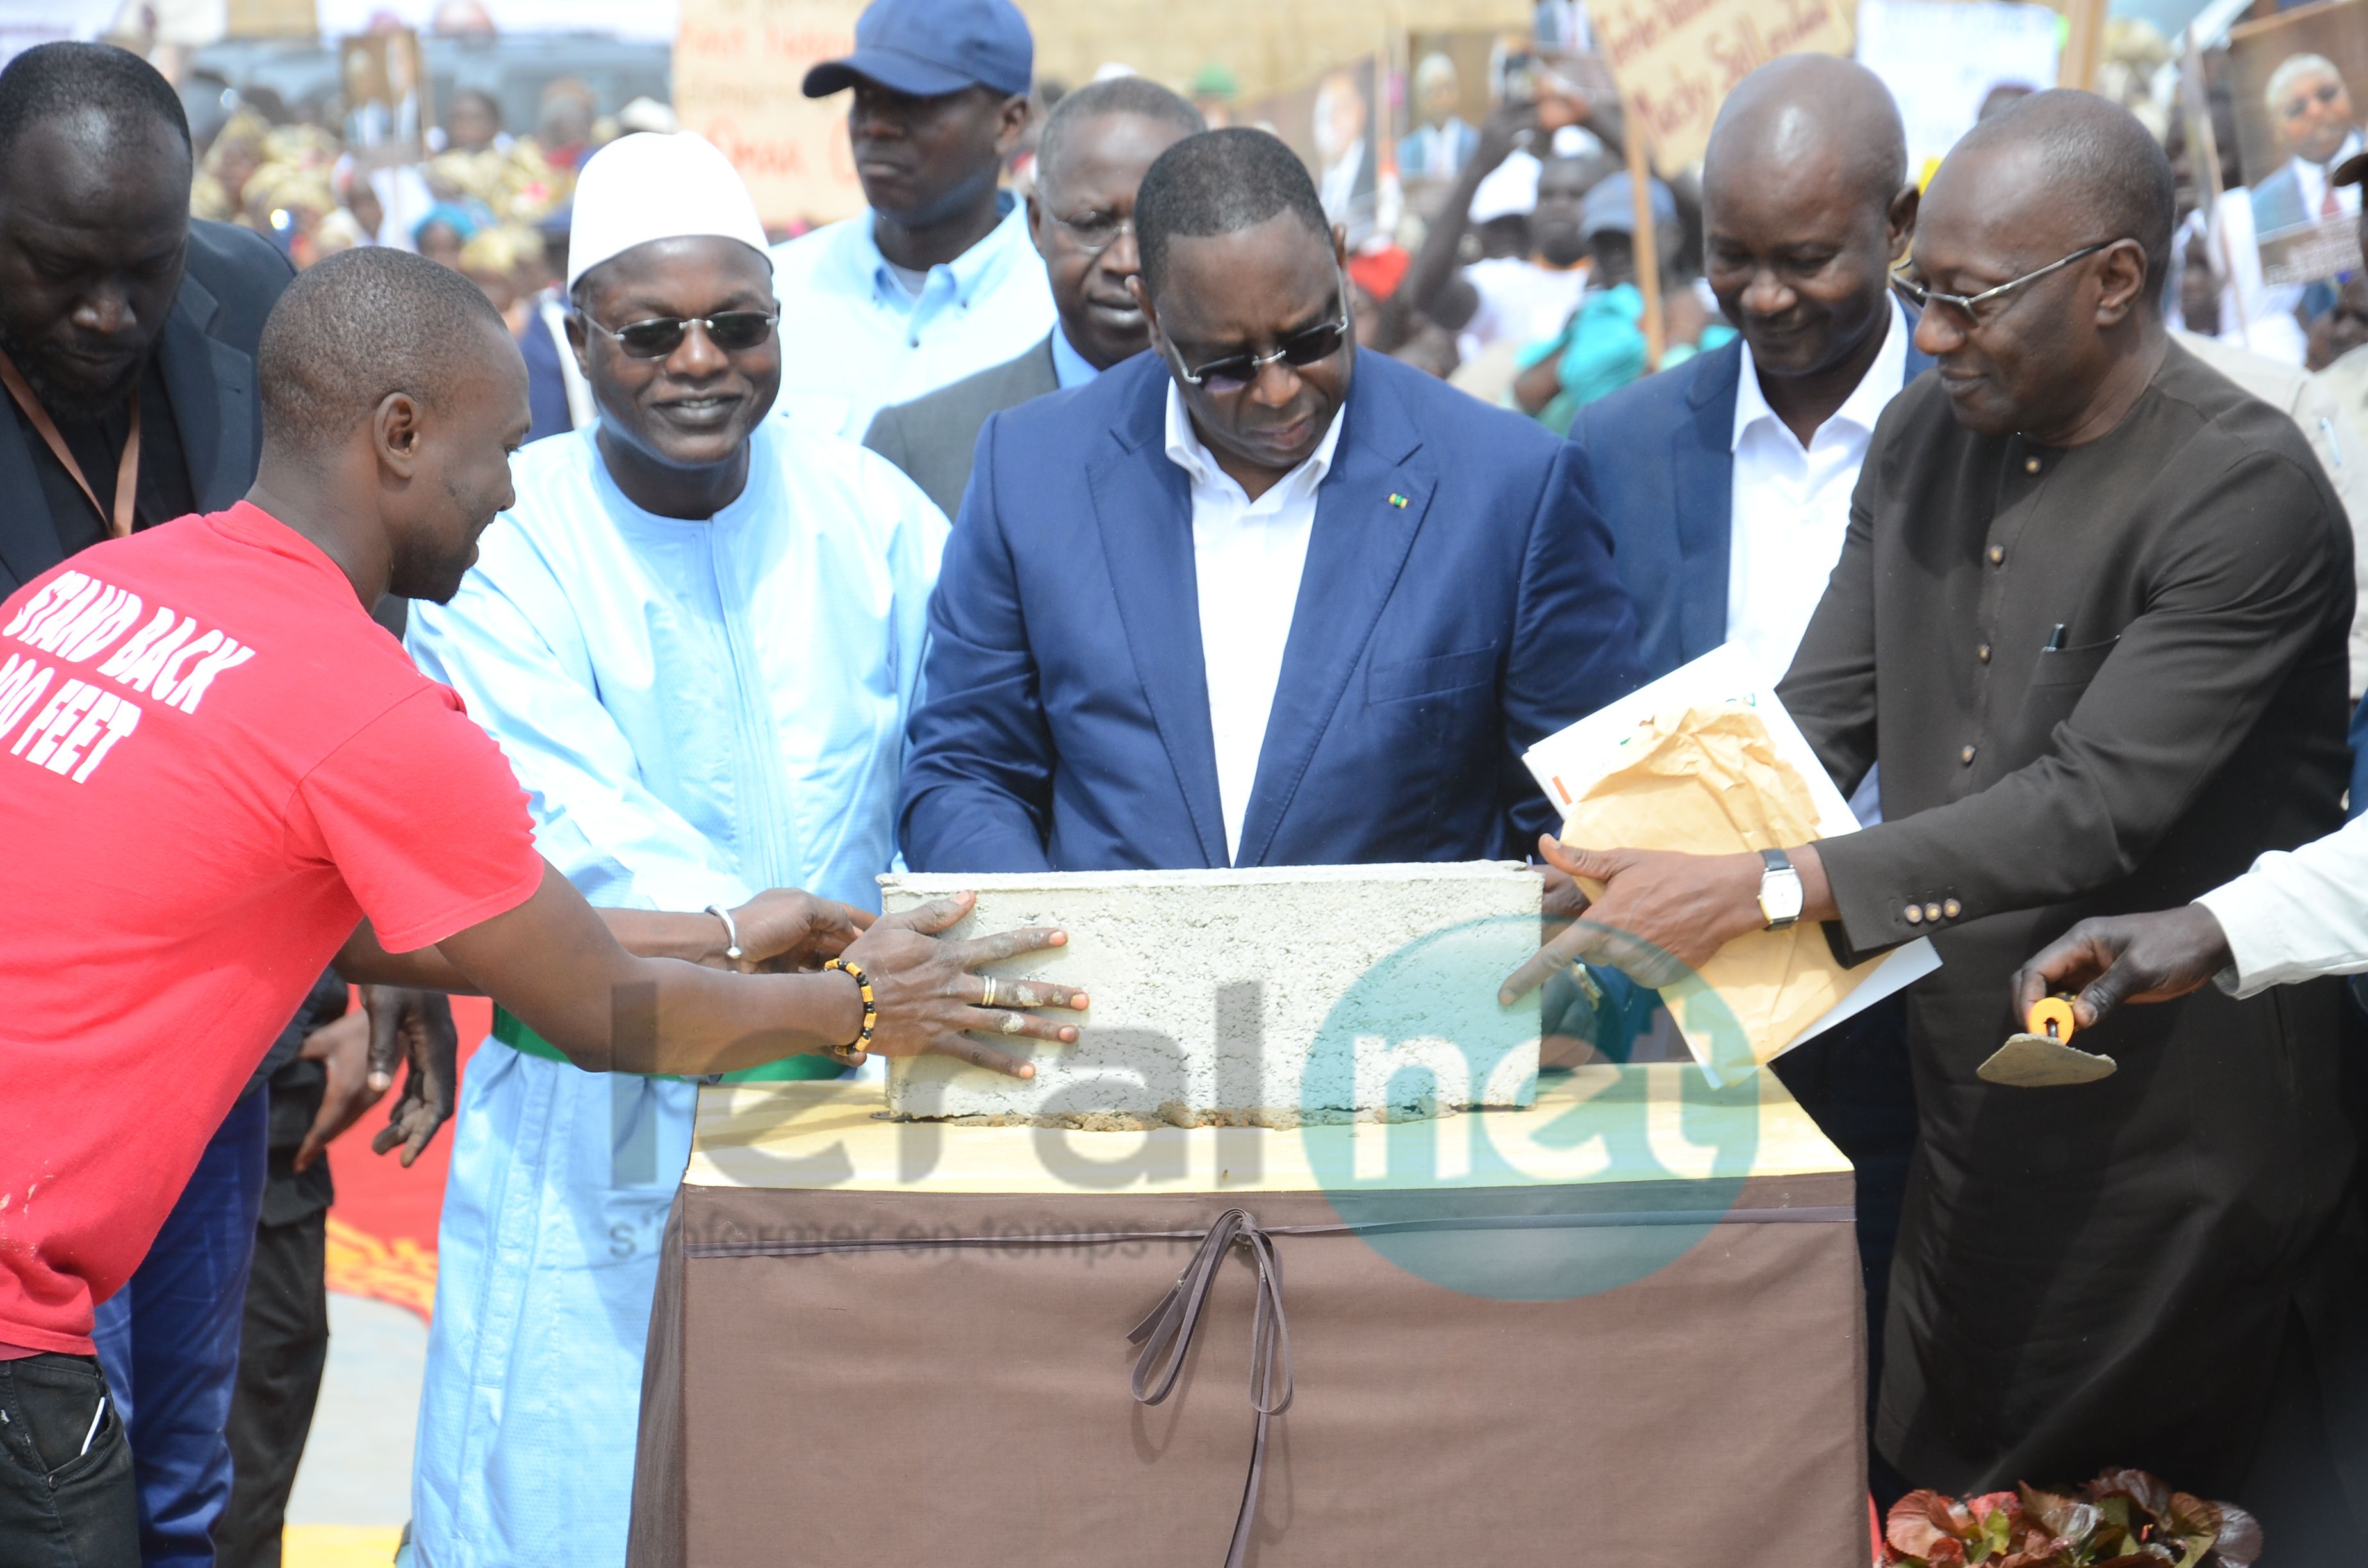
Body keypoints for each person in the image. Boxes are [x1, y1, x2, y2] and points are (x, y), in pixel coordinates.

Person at [0, 241, 1081, 1568]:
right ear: (399, 437)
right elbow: (601, 1011)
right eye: (502, 449)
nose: (514, 494)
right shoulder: (365, 705)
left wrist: (737, 932)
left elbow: (410, 928)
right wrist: (866, 1005)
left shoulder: (103, 591)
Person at [1503, 91, 2358, 1531]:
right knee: (1947, 1505)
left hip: (2173, 1140)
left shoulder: (2245, 493)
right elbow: (1811, 720)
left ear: (2115, 284)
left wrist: (1758, 888)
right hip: (1964, 1107)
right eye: (1924, 297)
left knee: (2142, 1519)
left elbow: (2086, 813)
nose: (1937, 336)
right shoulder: (1920, 438)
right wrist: (1625, 853)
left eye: (1971, 303)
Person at [400, 131, 967, 1568]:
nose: (700, 360)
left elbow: (955, 764)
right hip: (607, 1109)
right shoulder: (509, 542)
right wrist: (825, 957)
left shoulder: (874, 517)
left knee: (851, 1497)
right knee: (583, 1508)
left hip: (864, 1093)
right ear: (577, 336)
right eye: (650, 331)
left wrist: (912, 936)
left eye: (739, 323)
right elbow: (574, 843)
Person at [898, 126, 1641, 874]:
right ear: (1153, 319)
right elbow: (965, 772)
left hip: (1411, 987)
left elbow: (1592, 814)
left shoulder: (1510, 486)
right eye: (1224, 366)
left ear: (1343, 263)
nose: (1279, 389)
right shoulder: (1029, 473)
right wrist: (1055, 957)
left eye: (1313, 338)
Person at [1564, 53, 1928, 1482]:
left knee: (1894, 1388)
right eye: (1732, 260)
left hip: (1923, 985)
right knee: (1698, 1405)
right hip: (1686, 1007)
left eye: (1808, 260)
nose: (1766, 298)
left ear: (1897, 228)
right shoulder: (1618, 444)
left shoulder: (1977, 430)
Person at [863, 76, 1203, 518]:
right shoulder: (921, 449)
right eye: (1090, 224)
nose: (1125, 259)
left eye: (1157, 224)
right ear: (1038, 225)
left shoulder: (1271, 431)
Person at [768, 0, 1053, 438]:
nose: (876, 126)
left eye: (916, 101)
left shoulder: (1062, 310)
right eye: (865, 97)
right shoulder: (773, 296)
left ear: (1009, 124)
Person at [2250, 53, 2361, 240]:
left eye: (2327, 95)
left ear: (2348, 95)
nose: (2316, 111)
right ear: (2276, 129)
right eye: (2296, 109)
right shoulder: (2262, 206)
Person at [1398, 53, 1477, 181]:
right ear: (1421, 99)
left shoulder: (1474, 144)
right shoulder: (1408, 149)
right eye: (1432, 91)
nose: (1441, 99)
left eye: (1447, 88)